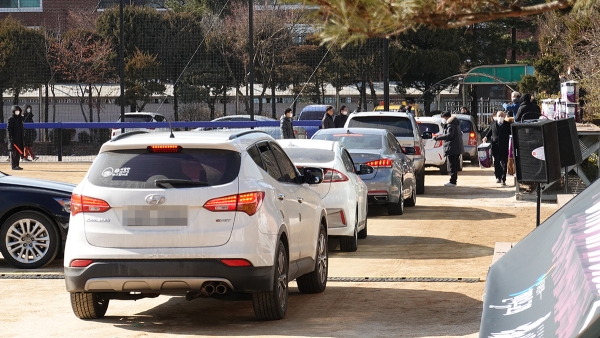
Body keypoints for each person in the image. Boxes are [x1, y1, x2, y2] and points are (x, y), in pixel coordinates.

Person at [434, 111, 463, 187]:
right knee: (453, 165)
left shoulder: (451, 125)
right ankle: (453, 180)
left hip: (452, 148)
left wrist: (438, 138)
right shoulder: (455, 123)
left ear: (446, 117)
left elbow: (449, 135)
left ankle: (452, 181)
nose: (443, 120)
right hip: (455, 147)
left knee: (452, 165)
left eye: (443, 118)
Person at [483, 111, 512, 186]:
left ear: (504, 116)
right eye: (499, 115)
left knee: (503, 162)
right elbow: (489, 132)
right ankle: (497, 176)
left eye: (502, 116)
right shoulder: (493, 124)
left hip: (504, 146)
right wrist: (486, 137)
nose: (500, 117)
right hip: (495, 146)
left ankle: (503, 178)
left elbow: (511, 133)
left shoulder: (507, 125)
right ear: (496, 116)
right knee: (496, 162)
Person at [7, 105, 25, 170]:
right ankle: (13, 165)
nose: (17, 112)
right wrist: (10, 138)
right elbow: (9, 129)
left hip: (19, 139)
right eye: (16, 111)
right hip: (13, 139)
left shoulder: (20, 119)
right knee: (13, 152)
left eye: (18, 110)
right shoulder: (11, 119)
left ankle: (17, 165)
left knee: (18, 153)